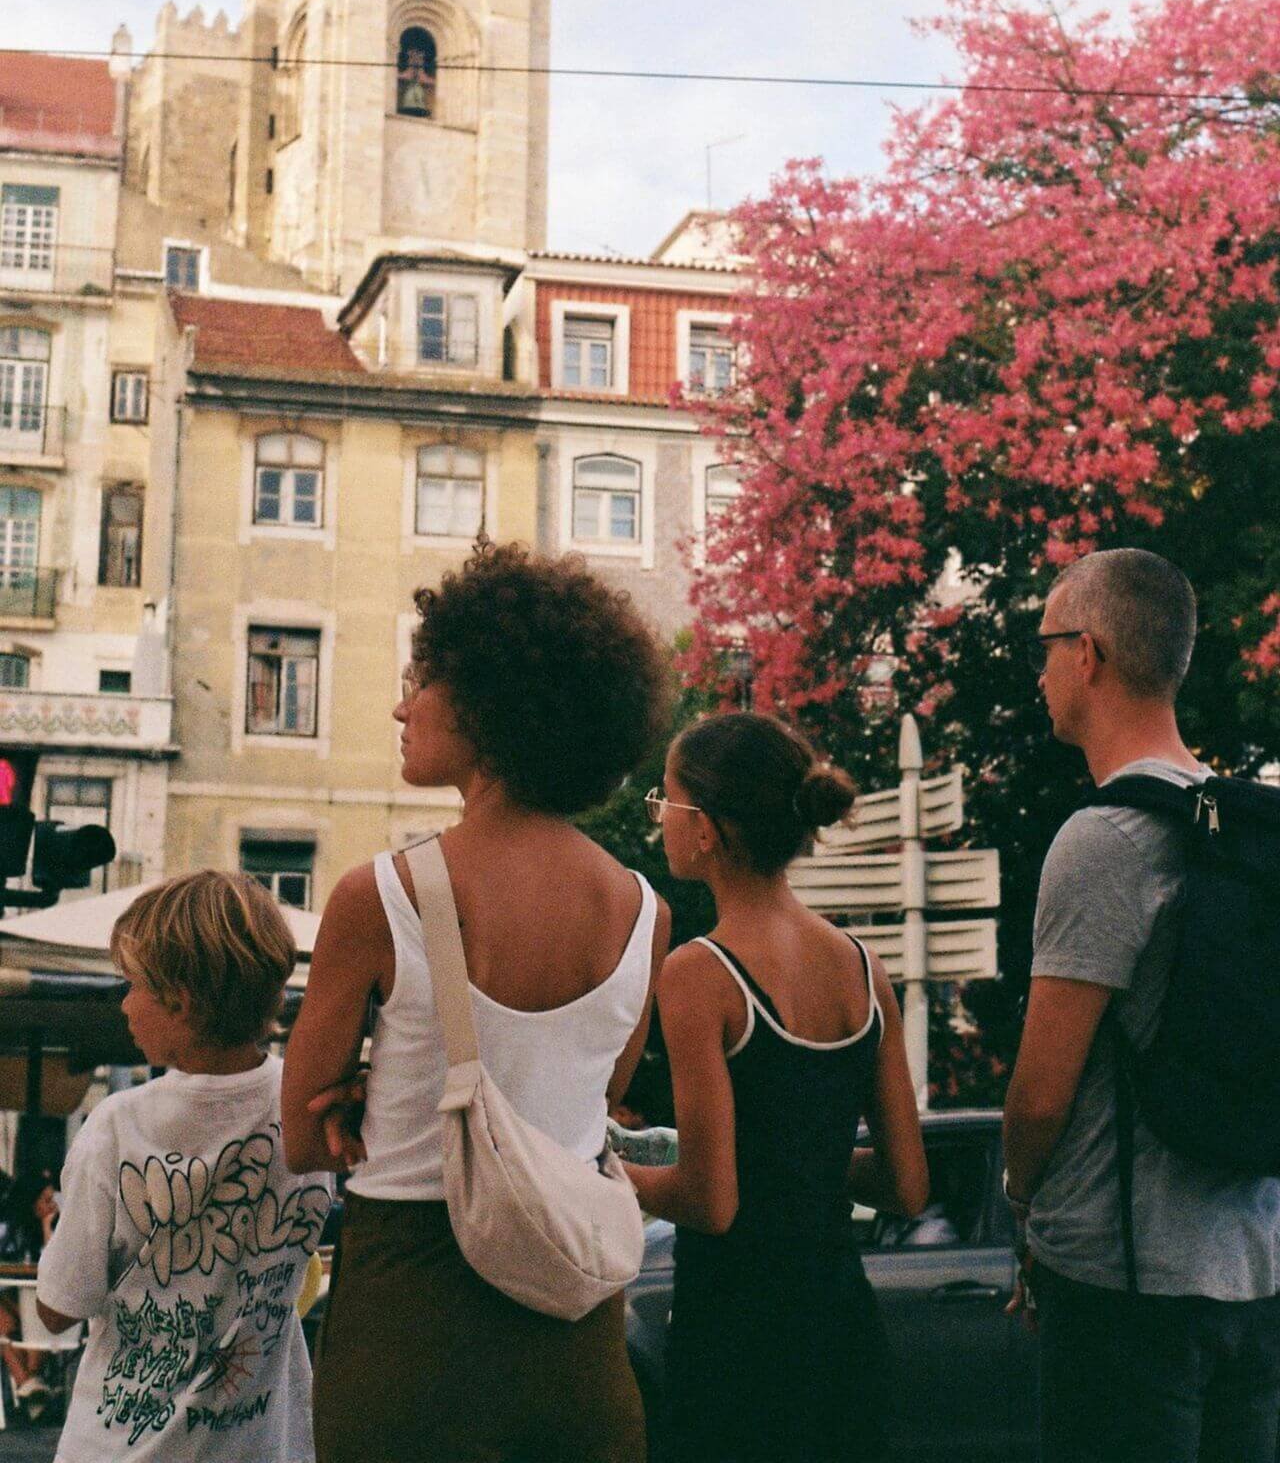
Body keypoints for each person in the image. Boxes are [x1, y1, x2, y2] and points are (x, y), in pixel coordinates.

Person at [282, 544, 672, 1463]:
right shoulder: (643, 911)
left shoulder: (379, 896)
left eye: (423, 676)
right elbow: (600, 1099)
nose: (400, 703)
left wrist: (368, 1091)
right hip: (576, 1337)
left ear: (489, 704)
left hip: (408, 1327)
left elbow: (303, 1136)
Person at [1003, 548, 1280, 1463]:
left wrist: (1020, 1202)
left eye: (1044, 647)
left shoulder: (1103, 839)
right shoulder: (1245, 827)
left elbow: (1041, 1095)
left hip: (1126, 1289)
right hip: (1256, 1273)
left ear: (1087, 653)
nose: (1039, 672)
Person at [623, 711, 928, 1463]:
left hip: (739, 1339)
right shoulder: (865, 969)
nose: (659, 819)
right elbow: (907, 1185)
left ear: (708, 828)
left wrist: (614, 1174)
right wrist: (801, 1163)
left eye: (667, 799)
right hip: (843, 1328)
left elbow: (710, 1200)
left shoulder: (700, 973)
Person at [35, 872, 332, 1461]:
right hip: (259, 1447)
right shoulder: (310, 1104)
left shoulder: (119, 1126)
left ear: (179, 999)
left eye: (132, 985)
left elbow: (58, 1307)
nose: (123, 1004)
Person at [0, 1167, 60, 1422]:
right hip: (9, 1299)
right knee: (6, 1322)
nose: (52, 1206)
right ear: (31, 1201)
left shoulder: (53, 1226)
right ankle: (30, 1387)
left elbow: (55, 1265)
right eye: (46, 1200)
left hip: (34, 1302)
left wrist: (48, 1227)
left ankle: (27, 1386)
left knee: (34, 1317)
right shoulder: (8, 1229)